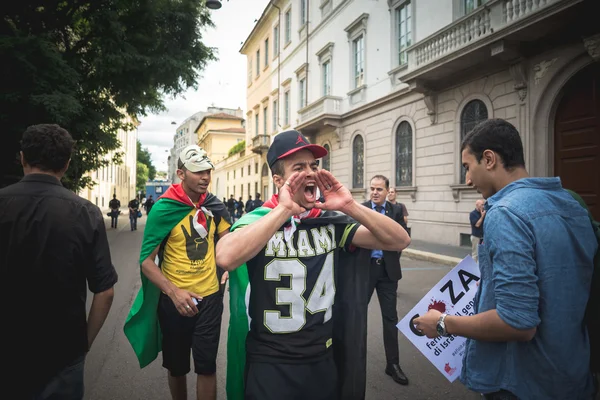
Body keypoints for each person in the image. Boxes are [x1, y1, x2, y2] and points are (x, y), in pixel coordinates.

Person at [216, 130, 411, 400]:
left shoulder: (329, 221)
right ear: (279, 180)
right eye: (299, 167)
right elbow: (226, 256)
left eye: (314, 165)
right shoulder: (260, 220)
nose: (310, 173)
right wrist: (284, 210)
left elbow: (399, 240)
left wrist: (350, 206)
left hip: (322, 357)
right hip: (271, 361)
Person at [414, 119, 597, 400]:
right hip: (572, 374)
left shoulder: (505, 213)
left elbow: (518, 322)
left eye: (467, 167)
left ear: (489, 159)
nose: (467, 180)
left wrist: (442, 324)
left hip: (522, 382)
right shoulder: (570, 204)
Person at [0, 124, 118, 399]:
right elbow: (105, 290)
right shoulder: (85, 213)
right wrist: (84, 343)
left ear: (22, 158)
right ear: (66, 164)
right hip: (63, 350)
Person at [124, 145, 232, 400]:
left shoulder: (215, 206)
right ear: (181, 174)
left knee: (207, 367)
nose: (205, 177)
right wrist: (174, 293)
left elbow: (228, 243)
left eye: (208, 171)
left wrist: (226, 266)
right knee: (177, 367)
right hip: (175, 301)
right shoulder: (164, 209)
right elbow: (146, 261)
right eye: (198, 172)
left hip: (210, 298)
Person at [363, 175, 409, 386]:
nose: (375, 192)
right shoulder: (361, 209)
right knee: (357, 316)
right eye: (372, 188)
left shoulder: (396, 211)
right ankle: (354, 361)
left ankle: (393, 364)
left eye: (379, 189)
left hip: (388, 272)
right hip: (365, 271)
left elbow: (401, 239)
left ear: (387, 190)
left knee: (391, 319)